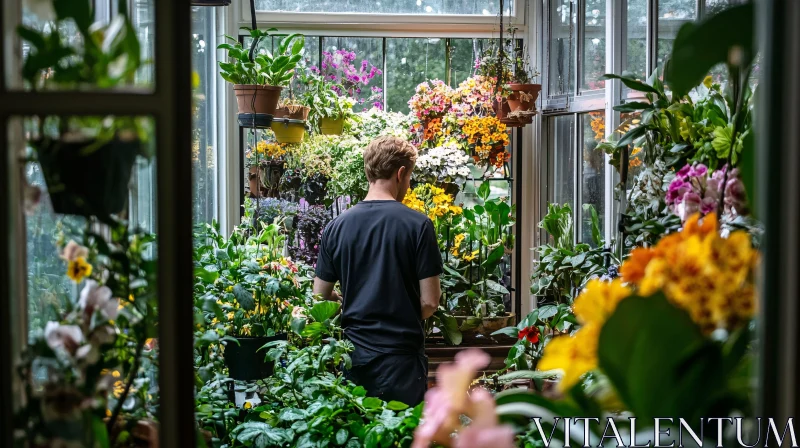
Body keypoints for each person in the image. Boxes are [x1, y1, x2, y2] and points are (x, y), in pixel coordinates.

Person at [312, 135, 442, 406]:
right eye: (409, 178)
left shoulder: (337, 226)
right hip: (402, 362)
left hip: (355, 358)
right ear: (401, 173)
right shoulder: (418, 225)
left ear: (368, 171)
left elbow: (319, 297)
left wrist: (349, 301)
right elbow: (430, 302)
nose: (408, 184)